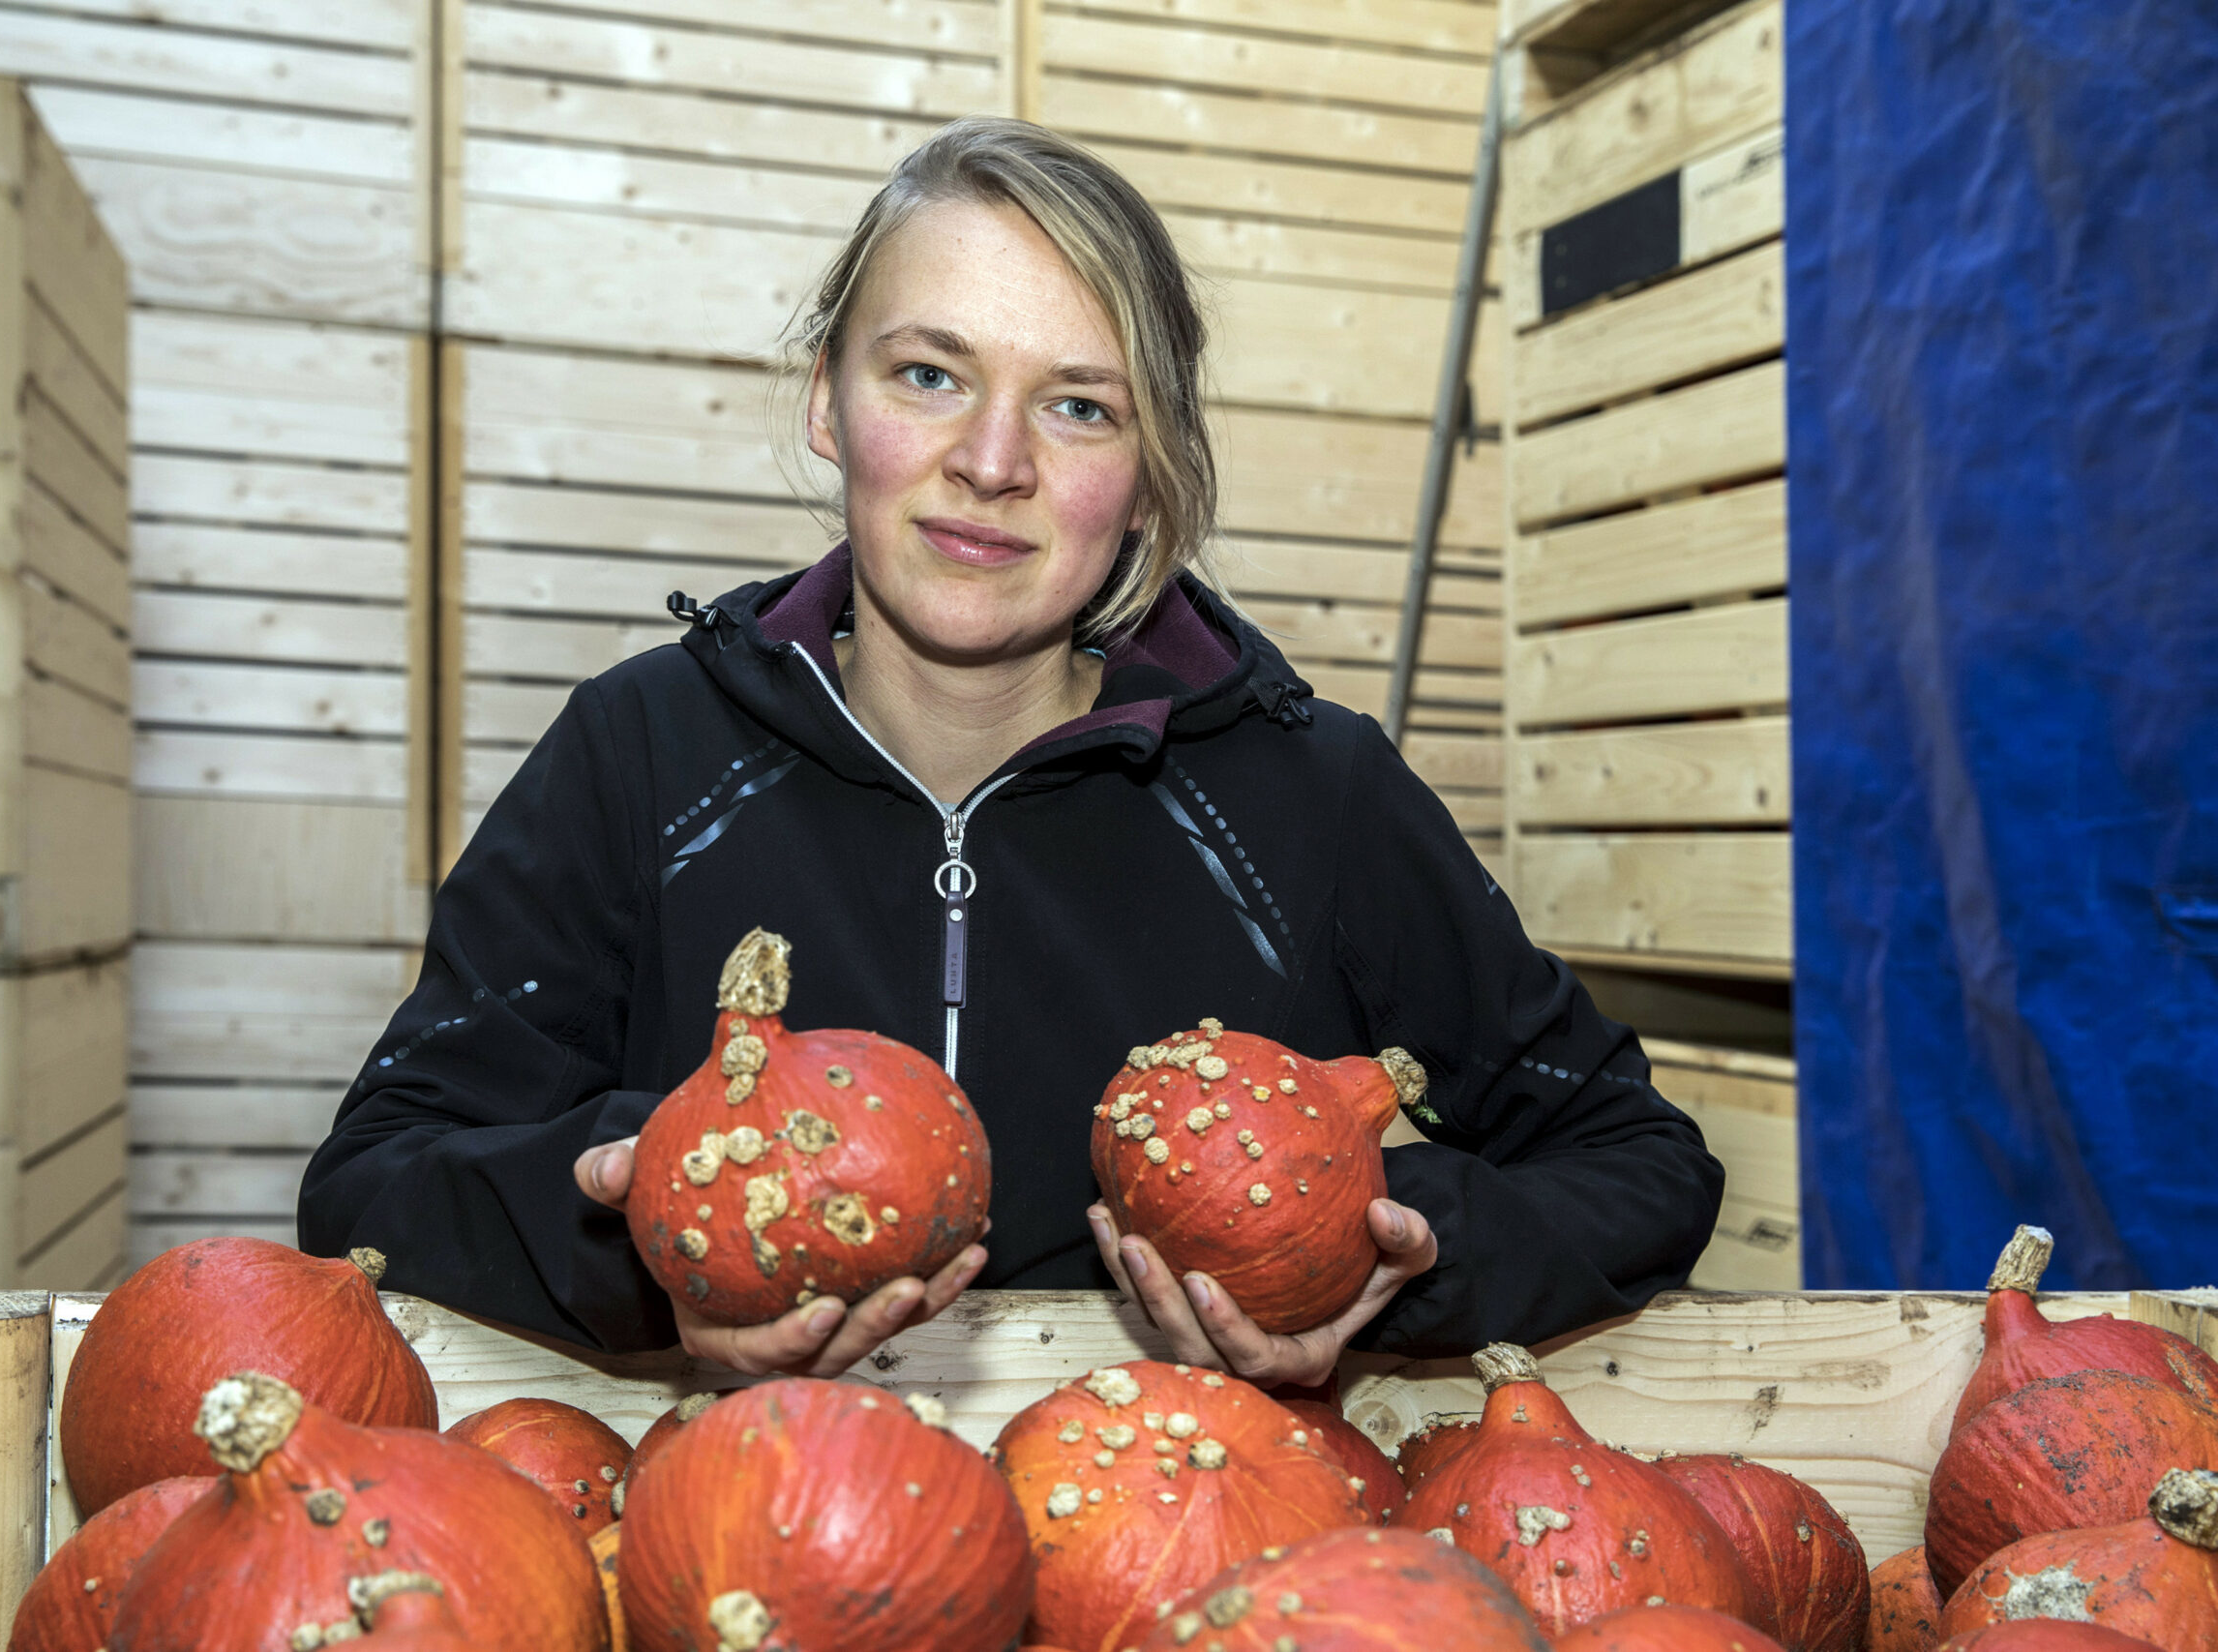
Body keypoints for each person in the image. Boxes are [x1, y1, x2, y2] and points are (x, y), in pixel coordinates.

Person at [299, 117, 1723, 1388]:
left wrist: (1396, 1259)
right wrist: (651, 1234)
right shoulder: (642, 754)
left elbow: (1639, 1163)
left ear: (1149, 471)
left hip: (1193, 1572)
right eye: (928, 373)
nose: (992, 461)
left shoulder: (1313, 795)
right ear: (826, 400)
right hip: (754, 1558)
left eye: (1079, 404)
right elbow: (374, 1180)